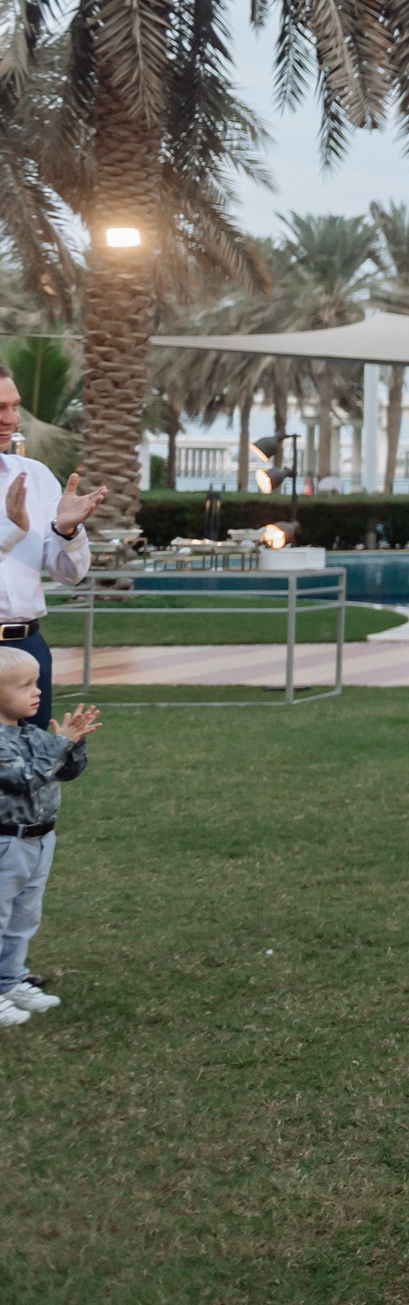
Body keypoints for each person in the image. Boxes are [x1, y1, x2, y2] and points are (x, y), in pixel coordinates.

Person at [0, 366, 103, 727]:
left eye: (15, 407)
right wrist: (13, 531)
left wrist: (67, 531)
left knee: (33, 768)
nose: (11, 419)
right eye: (0, 408)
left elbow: (70, 575)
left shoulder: (36, 476)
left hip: (28, 648)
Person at [0, 650, 98, 1025]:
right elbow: (26, 780)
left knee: (24, 917)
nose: (37, 692)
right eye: (24, 685)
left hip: (40, 839)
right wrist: (59, 745)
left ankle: (10, 981)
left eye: (37, 682)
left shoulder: (32, 734)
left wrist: (73, 743)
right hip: (7, 841)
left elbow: (66, 772)